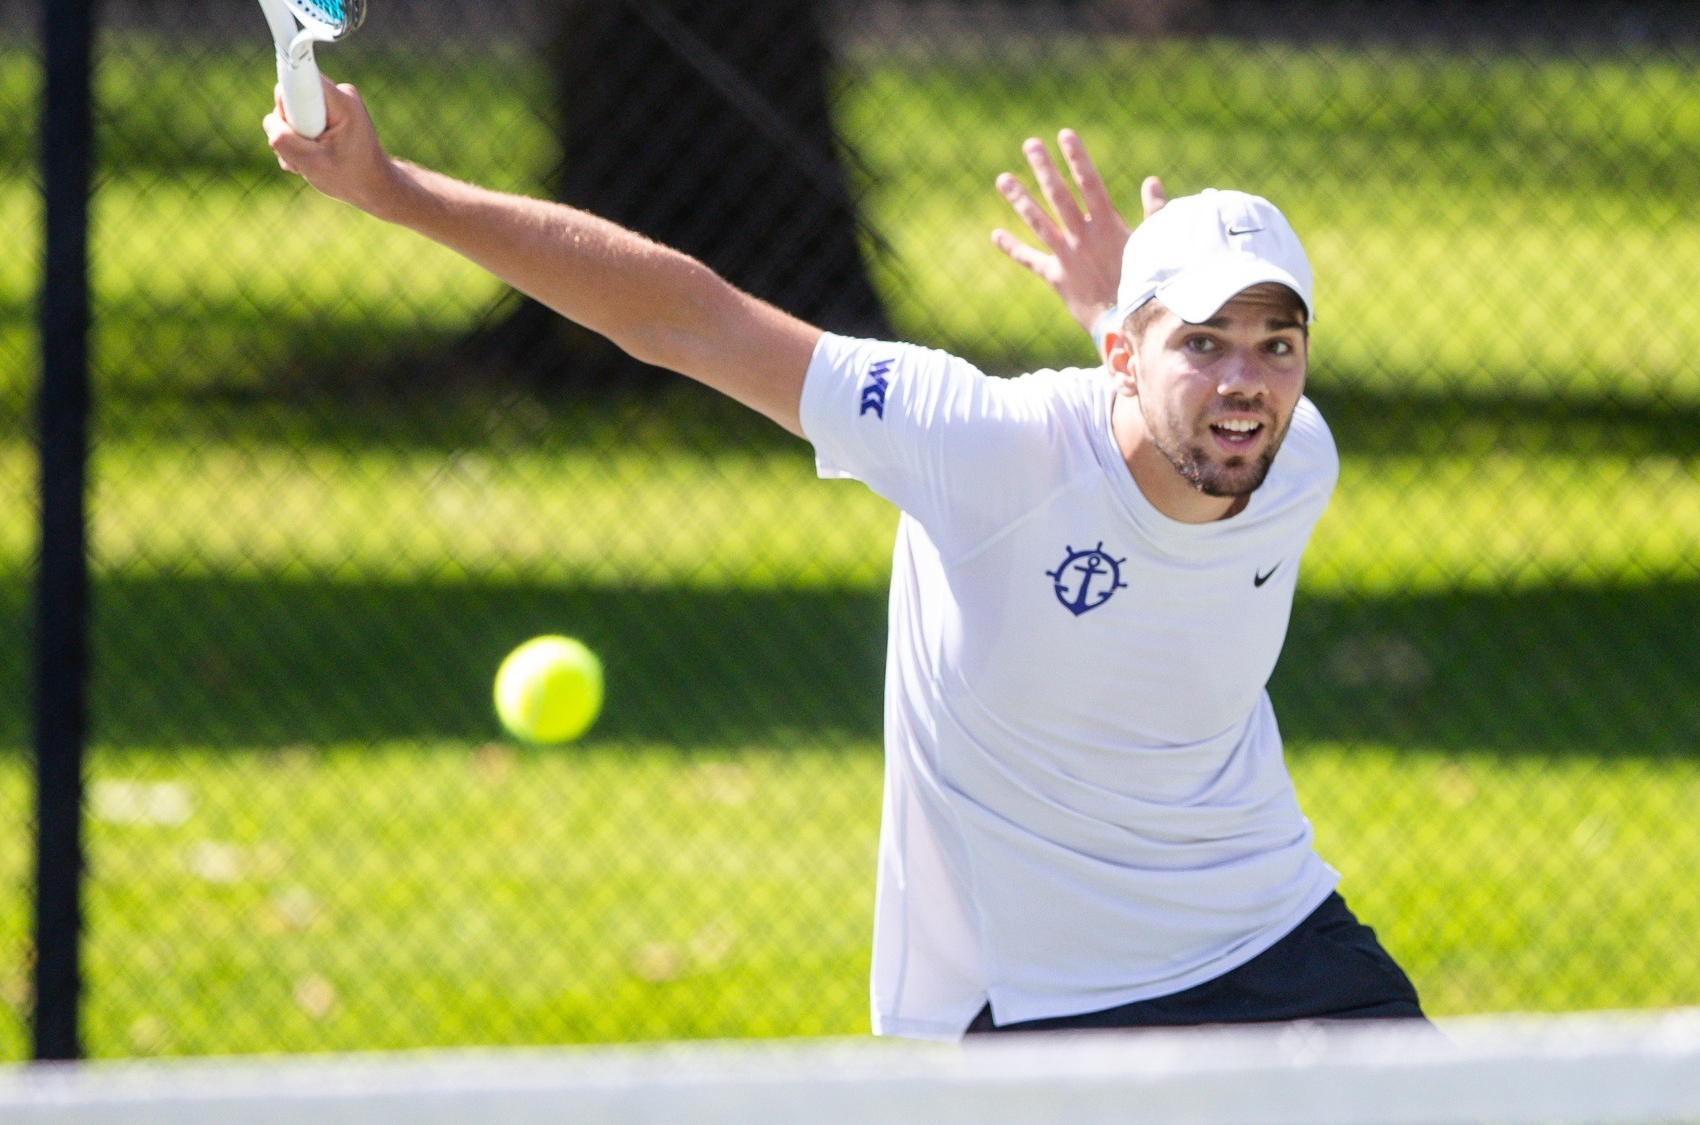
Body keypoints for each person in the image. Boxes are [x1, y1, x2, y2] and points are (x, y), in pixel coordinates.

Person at [265, 80, 1425, 1041]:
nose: (1243, 383)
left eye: (1275, 344)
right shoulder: (982, 444)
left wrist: (1123, 322)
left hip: (1283, 940)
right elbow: (687, 317)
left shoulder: (1294, 457)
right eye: (1203, 342)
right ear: (1123, 357)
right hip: (1047, 1003)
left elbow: (1183, 416)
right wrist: (391, 189)